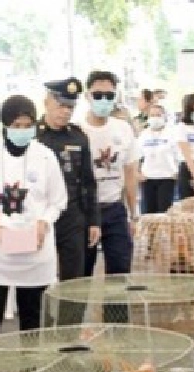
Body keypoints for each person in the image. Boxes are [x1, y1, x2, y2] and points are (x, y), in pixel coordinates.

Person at [0, 95, 67, 341]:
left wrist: (44, 223)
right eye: (16, 126)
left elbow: (58, 200)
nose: (22, 131)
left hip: (35, 251)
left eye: (27, 125)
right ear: (4, 126)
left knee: (34, 318)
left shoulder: (45, 156)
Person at [39, 77, 101, 282]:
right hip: (39, 214)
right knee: (39, 277)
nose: (65, 111)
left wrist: (93, 221)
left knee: (74, 278)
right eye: (61, 105)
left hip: (72, 216)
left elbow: (88, 182)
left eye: (70, 107)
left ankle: (72, 316)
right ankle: (42, 315)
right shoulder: (32, 136)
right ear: (47, 102)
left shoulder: (78, 137)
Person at [81, 70, 140, 277]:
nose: (103, 100)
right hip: (85, 212)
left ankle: (117, 311)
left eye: (109, 95)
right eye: (98, 95)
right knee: (81, 276)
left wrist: (134, 215)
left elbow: (131, 173)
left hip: (115, 209)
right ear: (87, 95)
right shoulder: (78, 131)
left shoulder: (123, 129)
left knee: (120, 274)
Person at [139, 103, 181, 214]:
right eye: (152, 115)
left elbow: (179, 155)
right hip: (147, 178)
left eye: (158, 115)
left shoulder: (172, 133)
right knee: (148, 212)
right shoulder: (143, 135)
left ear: (164, 117)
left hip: (167, 177)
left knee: (164, 211)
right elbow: (137, 156)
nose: (155, 118)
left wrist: (177, 172)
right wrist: (137, 173)